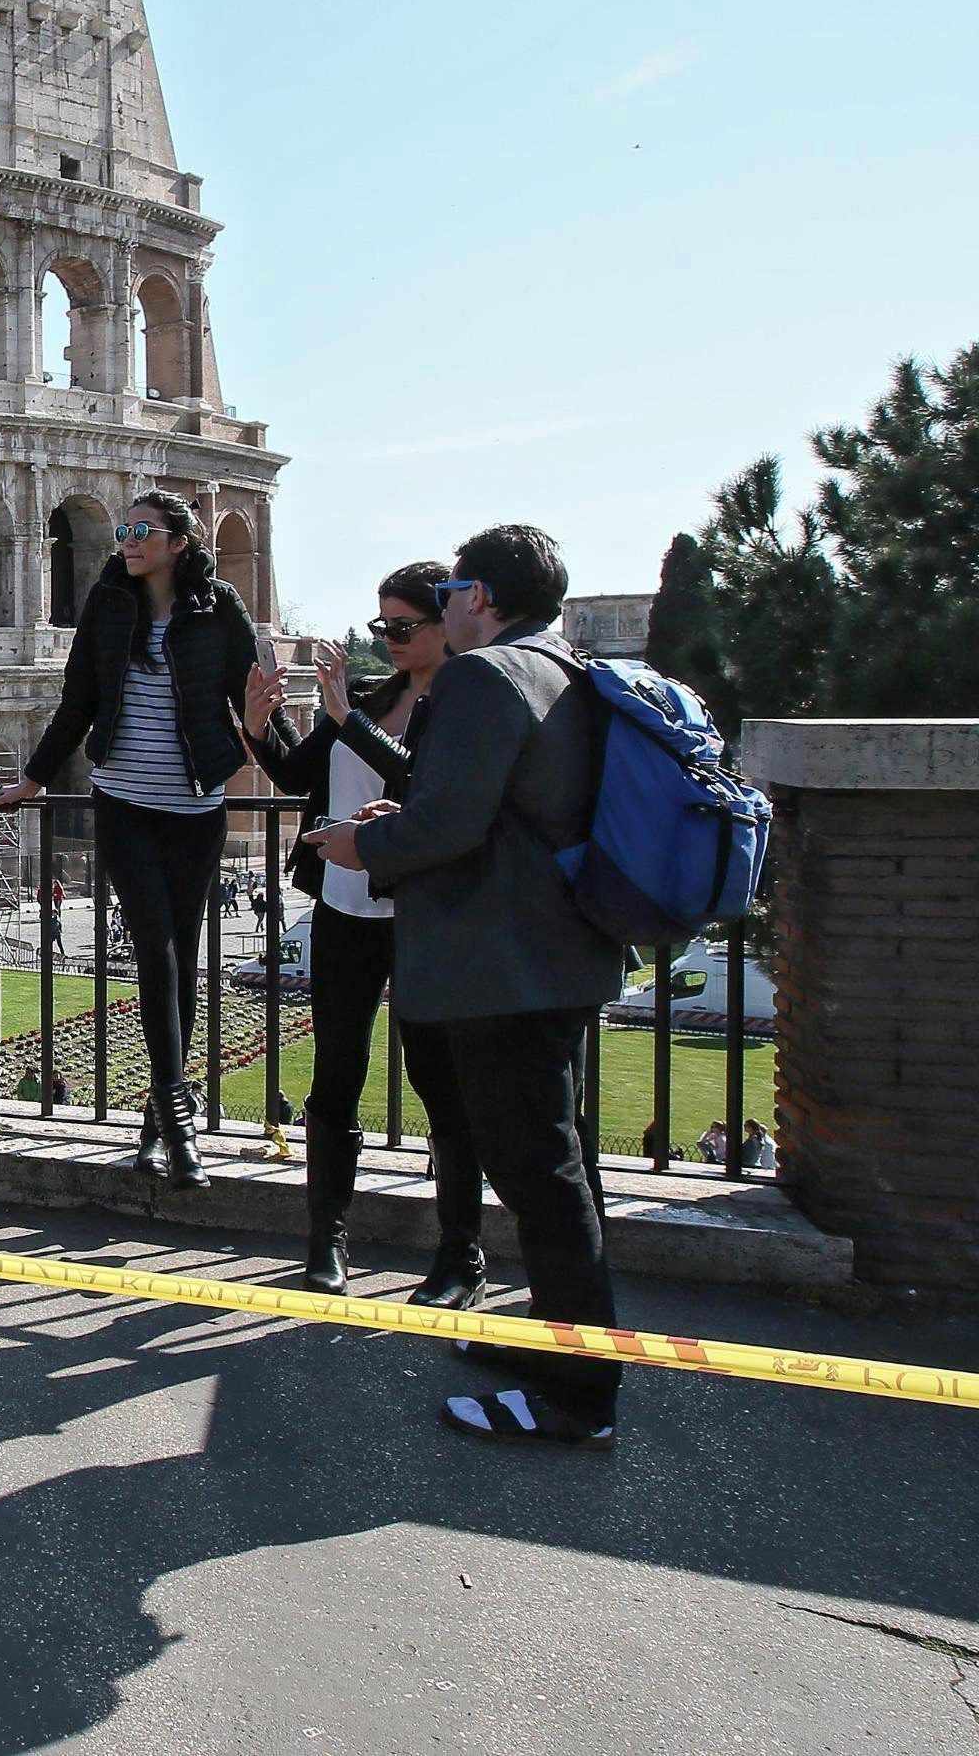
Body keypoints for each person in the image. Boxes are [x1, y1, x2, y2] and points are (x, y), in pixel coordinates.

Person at [313, 524, 629, 1451]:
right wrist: (405, 814)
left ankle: (578, 1395)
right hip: (550, 953)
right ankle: (559, 1349)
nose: (444, 603)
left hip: (504, 965)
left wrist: (359, 843)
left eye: (452, 589)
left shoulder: (483, 676)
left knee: (545, 1177)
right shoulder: (554, 664)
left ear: (480, 598)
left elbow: (447, 825)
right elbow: (487, 804)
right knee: (551, 1170)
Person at [0, 491, 278, 1189]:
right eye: (122, 529)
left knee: (182, 961)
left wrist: (292, 759)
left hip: (196, 806)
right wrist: (34, 777)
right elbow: (78, 698)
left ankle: (155, 1122)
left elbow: (254, 699)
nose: (126, 540)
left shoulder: (219, 608)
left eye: (140, 530)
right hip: (122, 799)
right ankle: (180, 1128)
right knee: (154, 950)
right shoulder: (108, 601)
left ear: (180, 541)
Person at [243, 560, 486, 1305]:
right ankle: (327, 1242)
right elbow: (294, 775)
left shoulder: (464, 702)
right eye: (382, 625)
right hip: (344, 907)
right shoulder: (375, 697)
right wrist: (262, 722)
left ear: (446, 622)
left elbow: (424, 786)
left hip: (420, 914)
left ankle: (460, 1255)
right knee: (335, 1074)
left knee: (438, 1081)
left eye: (403, 626)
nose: (389, 638)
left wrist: (348, 718)